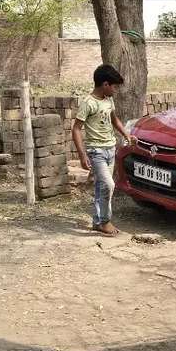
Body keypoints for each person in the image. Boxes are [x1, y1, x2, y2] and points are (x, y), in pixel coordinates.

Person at [71, 63, 133, 236]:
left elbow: (114, 119)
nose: (115, 90)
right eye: (114, 86)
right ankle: (105, 221)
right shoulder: (88, 103)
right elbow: (76, 129)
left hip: (110, 149)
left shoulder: (108, 100)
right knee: (108, 184)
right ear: (105, 84)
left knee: (101, 187)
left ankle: (98, 221)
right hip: (96, 151)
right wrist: (82, 156)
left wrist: (126, 135)